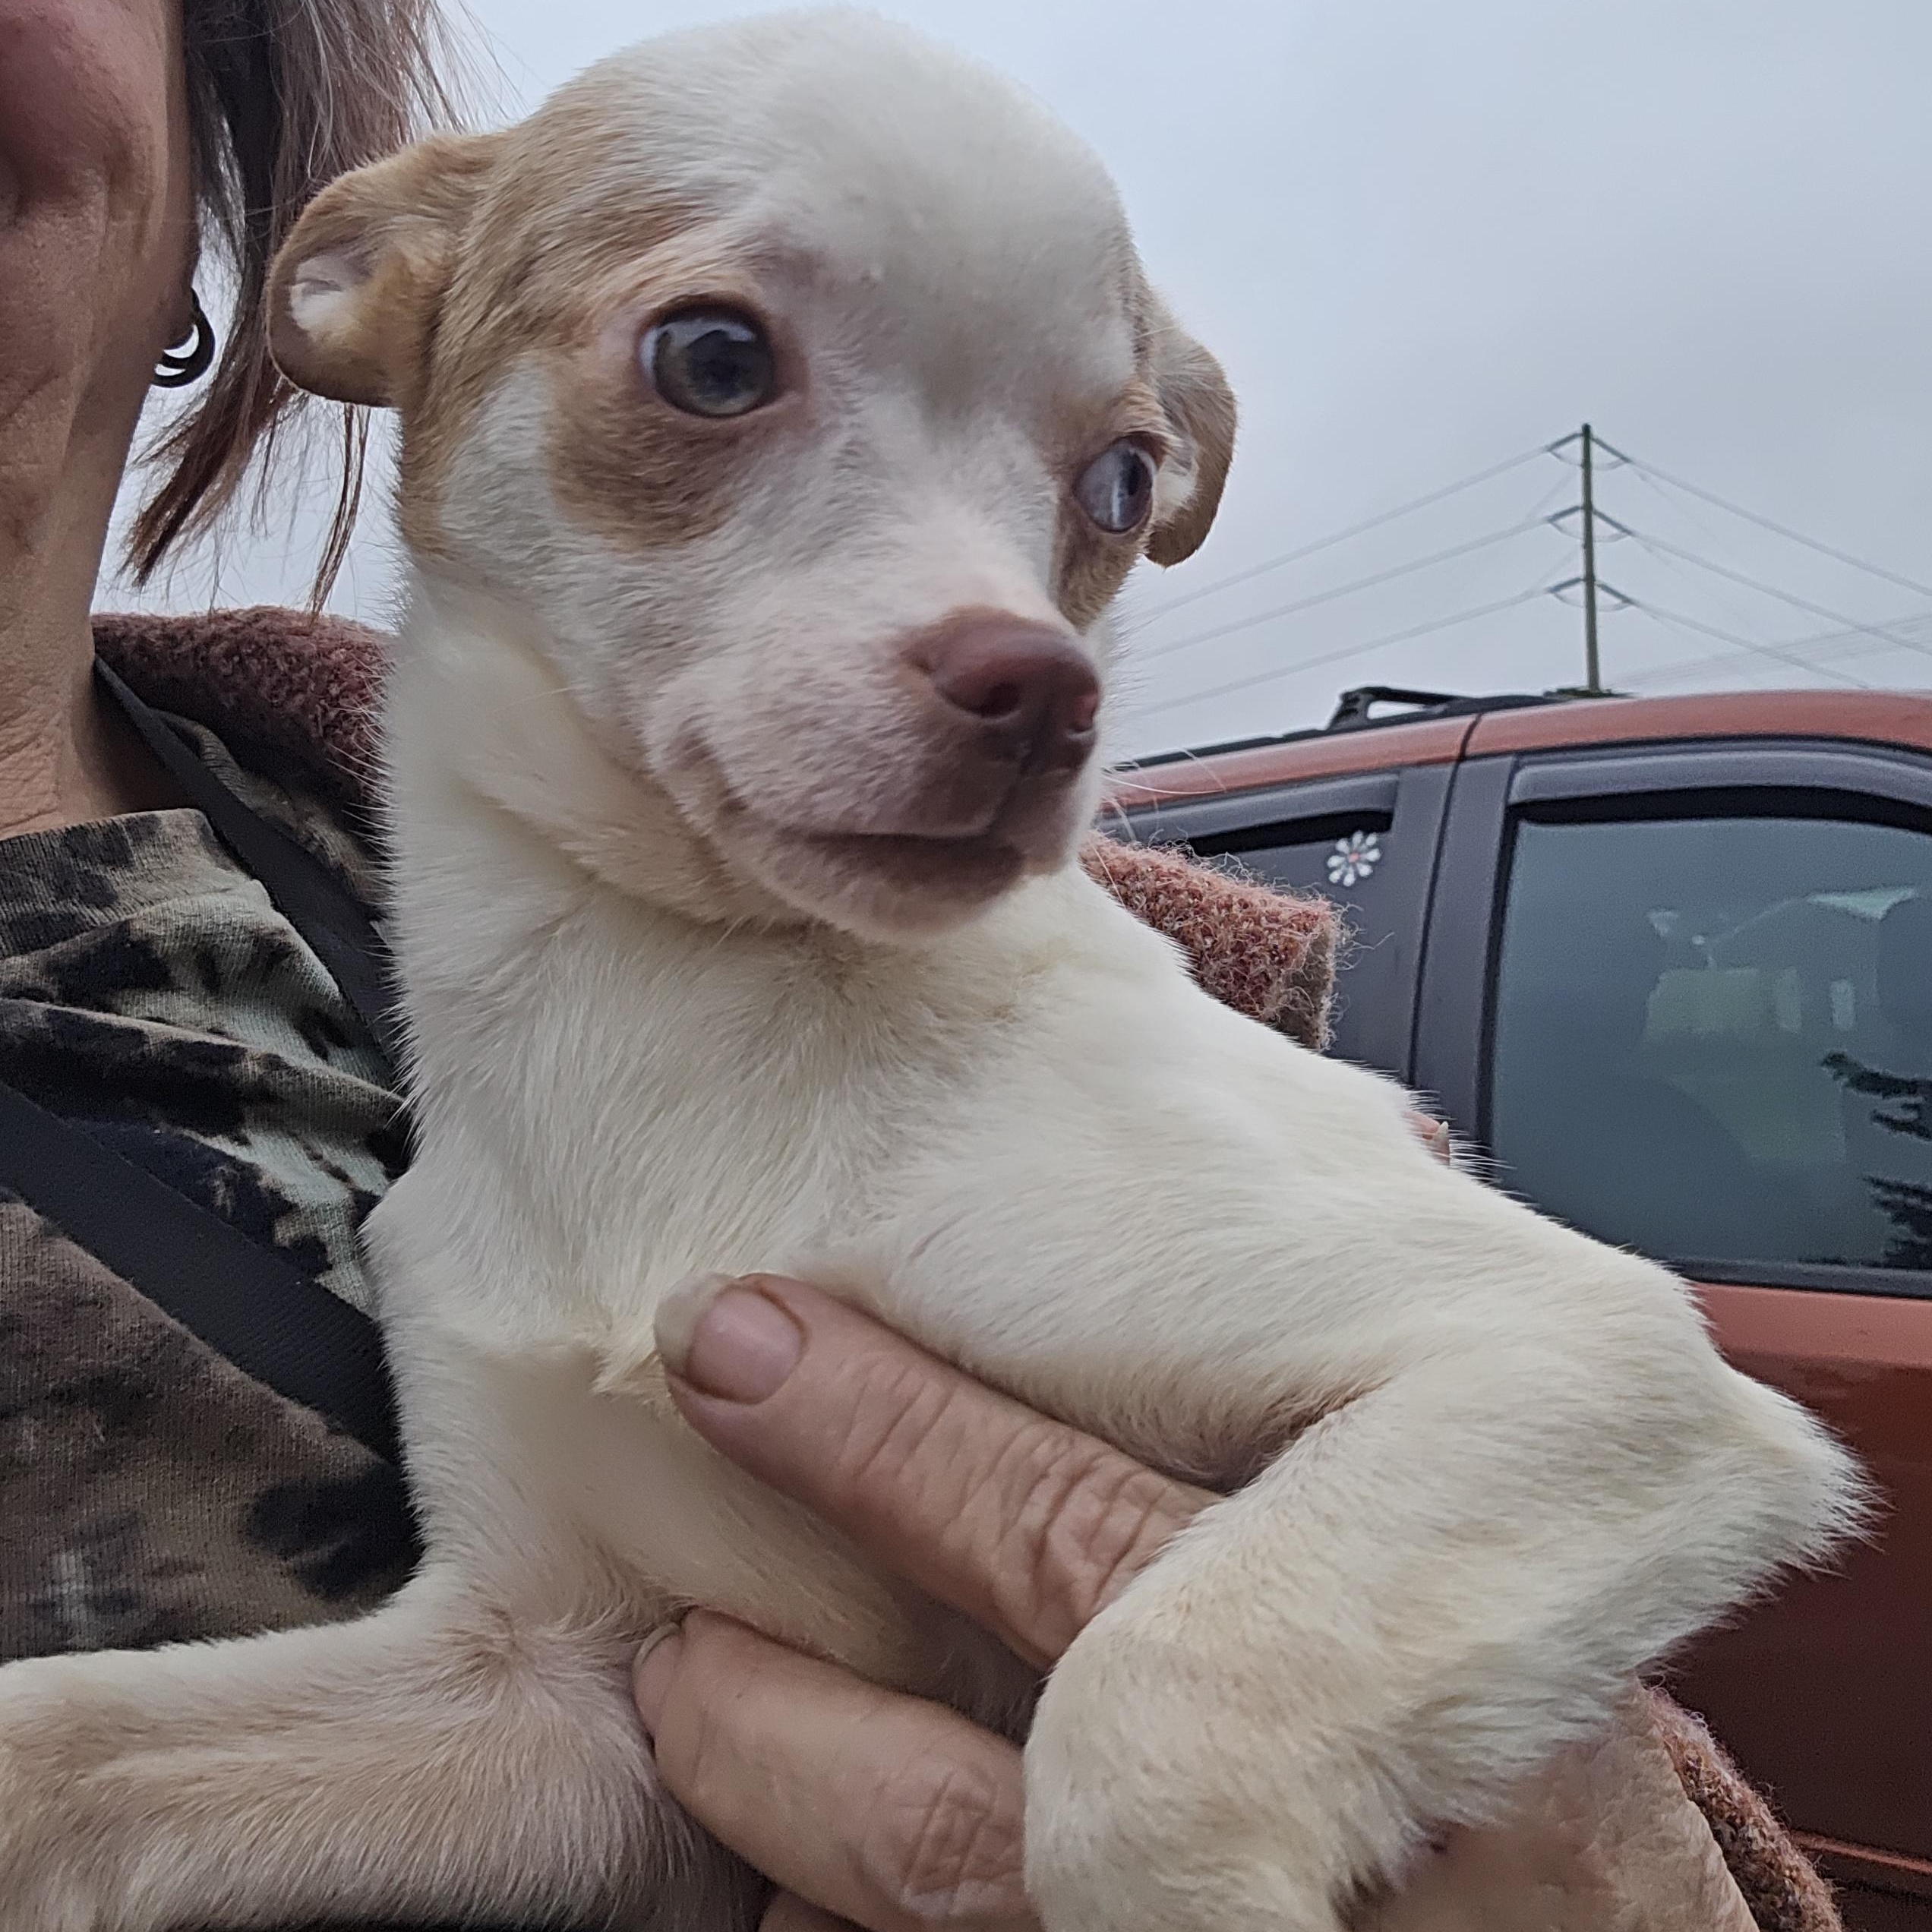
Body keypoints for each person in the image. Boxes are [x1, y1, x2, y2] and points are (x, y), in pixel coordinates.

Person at [0, 5, 1842, 1928]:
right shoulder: (479, 1225)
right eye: (717, 361)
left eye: (1103, 488)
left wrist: (1187, 1798)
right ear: (396, 300)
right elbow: (576, 1717)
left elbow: (1633, 1403)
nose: (1008, 620)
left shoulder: (1061, 1075)